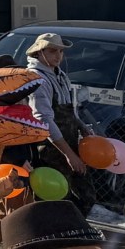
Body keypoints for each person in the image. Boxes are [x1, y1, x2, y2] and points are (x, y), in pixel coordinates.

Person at [25, 33, 97, 214]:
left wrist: (81, 126)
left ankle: (74, 228)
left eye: (60, 51)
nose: (58, 56)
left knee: (87, 196)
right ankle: (57, 230)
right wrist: (69, 154)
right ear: (39, 52)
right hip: (50, 150)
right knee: (57, 199)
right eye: (52, 51)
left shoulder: (60, 74)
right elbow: (44, 120)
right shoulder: (37, 79)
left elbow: (69, 110)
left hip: (70, 143)